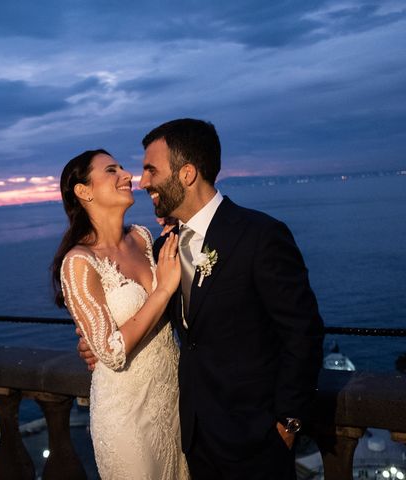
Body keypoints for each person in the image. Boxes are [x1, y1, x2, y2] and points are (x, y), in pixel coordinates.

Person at [80, 119, 324, 479]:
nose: (143, 181)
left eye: (151, 170)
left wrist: (288, 420)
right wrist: (97, 340)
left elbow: (302, 331)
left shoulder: (260, 235)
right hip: (192, 437)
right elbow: (153, 315)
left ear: (188, 174)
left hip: (255, 440)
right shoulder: (163, 248)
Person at [51, 149, 190, 479]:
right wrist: (163, 290)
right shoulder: (79, 262)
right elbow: (111, 353)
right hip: (127, 414)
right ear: (84, 192)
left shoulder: (142, 238)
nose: (127, 175)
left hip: (172, 398)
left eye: (122, 168)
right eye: (111, 170)